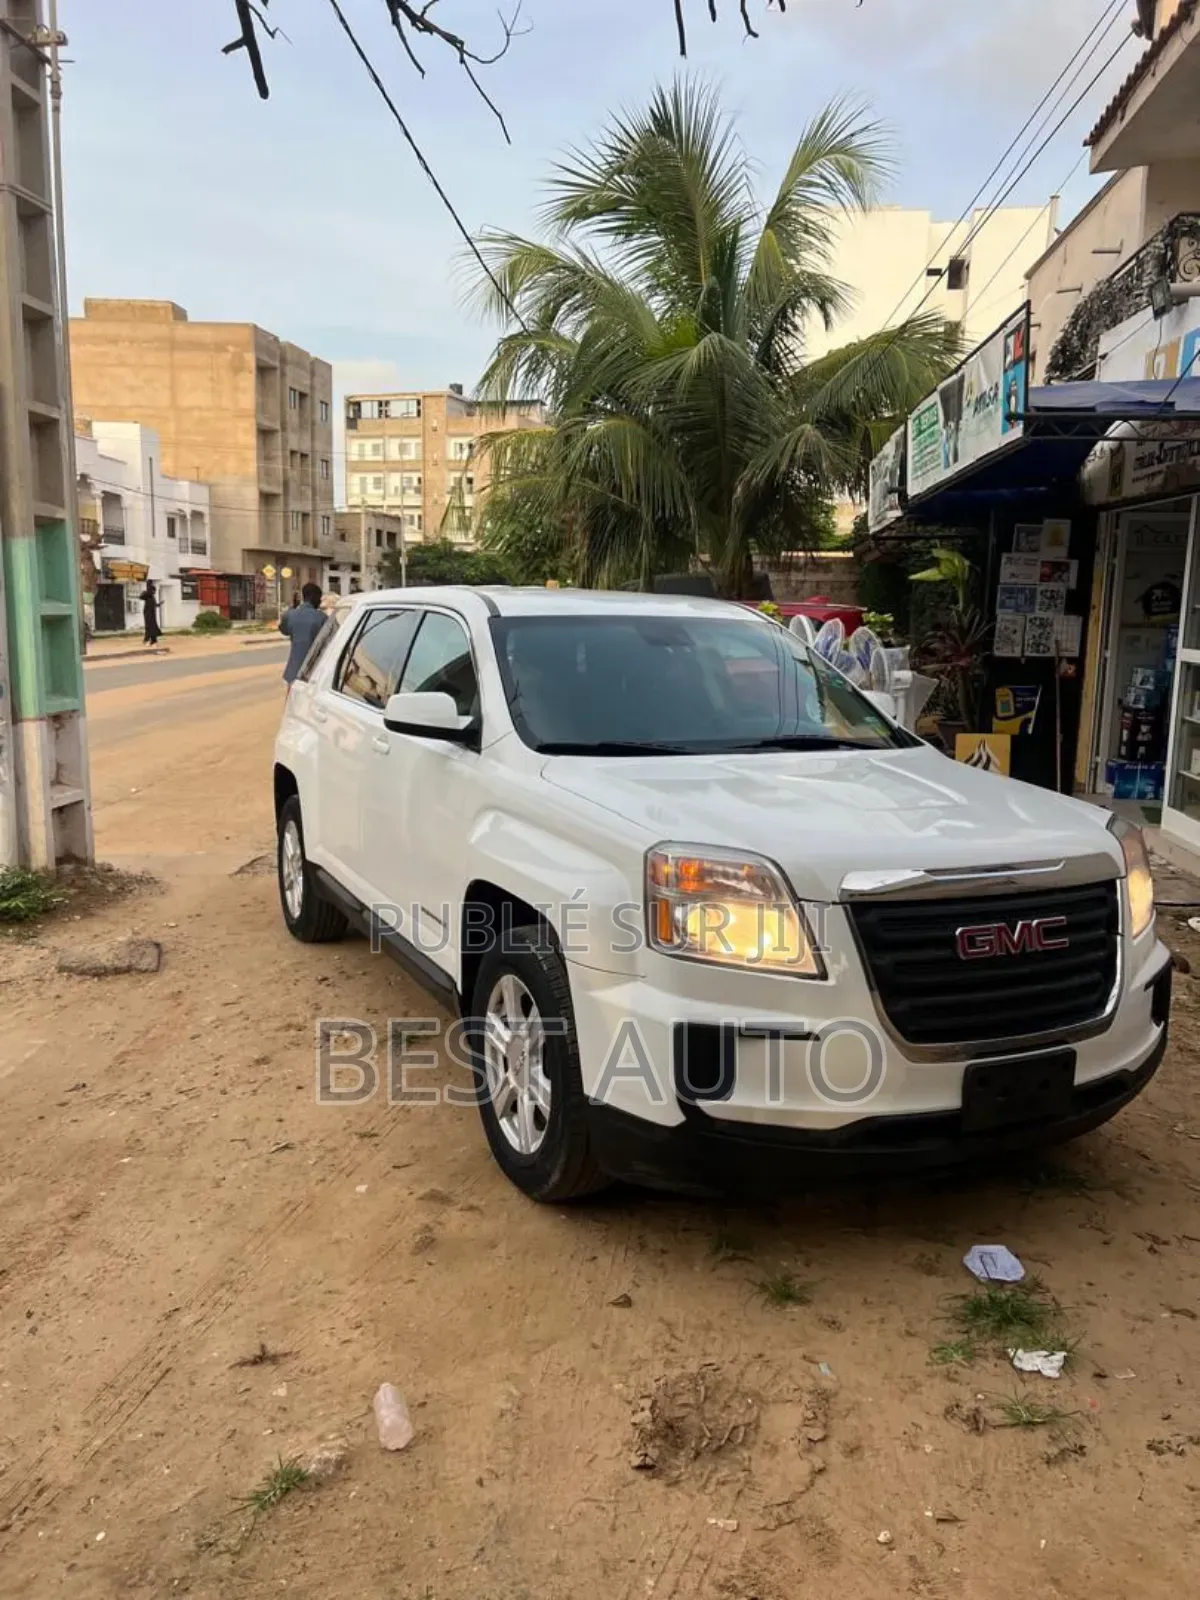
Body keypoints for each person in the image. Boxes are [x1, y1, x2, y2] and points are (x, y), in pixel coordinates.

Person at [279, 581, 327, 684]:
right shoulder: (322, 617)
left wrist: (293, 607)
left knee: (291, 698)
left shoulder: (290, 615)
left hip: (293, 671)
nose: (320, 602)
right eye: (319, 599)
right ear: (314, 597)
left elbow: (284, 630)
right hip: (313, 671)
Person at [140, 580, 161, 646]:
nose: (154, 592)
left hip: (152, 614)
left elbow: (154, 605)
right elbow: (141, 597)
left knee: (153, 627)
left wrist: (158, 604)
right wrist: (148, 585)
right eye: (153, 590)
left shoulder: (152, 597)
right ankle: (146, 640)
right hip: (148, 614)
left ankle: (153, 640)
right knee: (149, 627)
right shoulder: (147, 595)